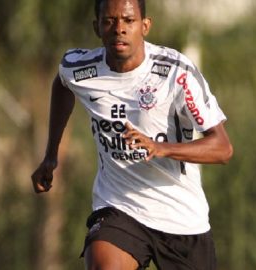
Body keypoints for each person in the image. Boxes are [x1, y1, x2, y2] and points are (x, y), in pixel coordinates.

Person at [31, 0, 233, 269]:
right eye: (109, 21)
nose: (119, 29)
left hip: (181, 217)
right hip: (119, 206)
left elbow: (222, 148)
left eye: (128, 21)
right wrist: (50, 155)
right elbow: (63, 83)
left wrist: (162, 149)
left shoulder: (176, 73)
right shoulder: (80, 68)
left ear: (145, 26)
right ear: (97, 28)